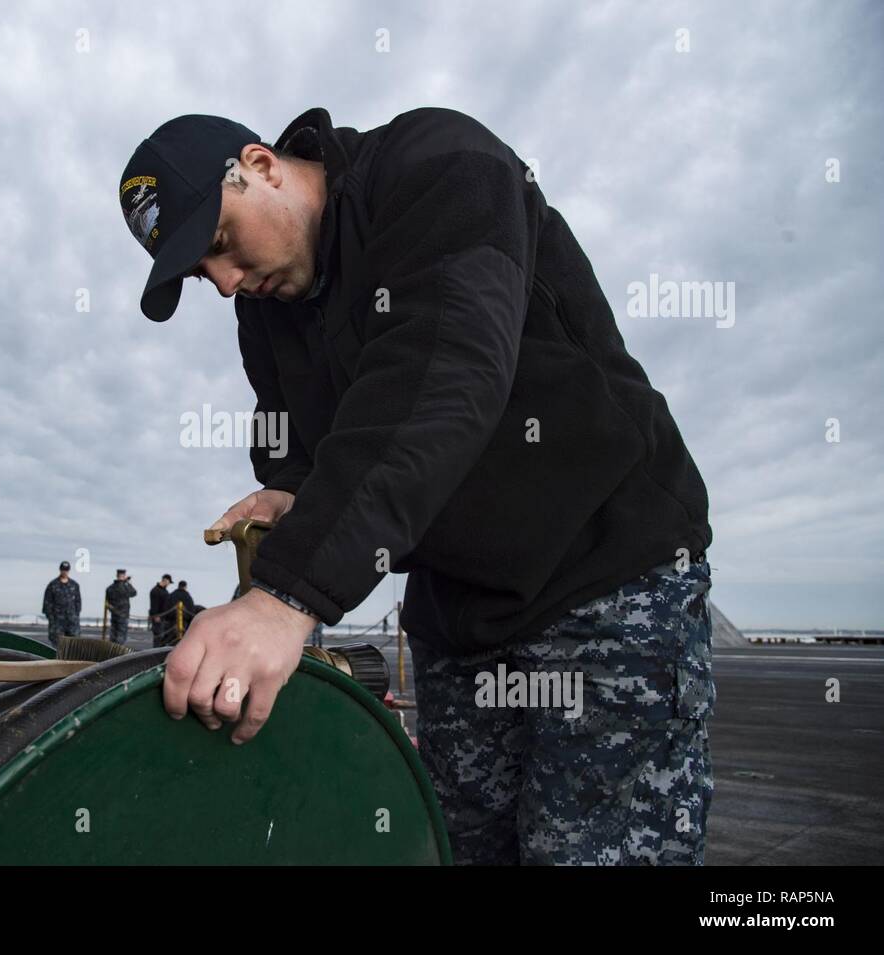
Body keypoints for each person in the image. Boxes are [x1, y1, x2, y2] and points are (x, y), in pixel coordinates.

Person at [118, 108, 715, 865]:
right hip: (458, 618)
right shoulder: (266, 317)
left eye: (221, 244)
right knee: (449, 851)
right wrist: (292, 494)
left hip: (605, 582)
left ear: (261, 165)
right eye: (204, 276)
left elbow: (446, 373)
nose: (228, 282)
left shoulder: (439, 165)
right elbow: (301, 450)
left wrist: (286, 597)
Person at [41, 560, 81, 648]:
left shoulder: (74, 585)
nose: (65, 572)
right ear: (60, 570)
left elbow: (78, 602)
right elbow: (47, 603)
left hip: (71, 622)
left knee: (73, 646)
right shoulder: (53, 585)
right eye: (63, 570)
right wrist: (51, 618)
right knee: (57, 646)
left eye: (66, 570)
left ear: (69, 571)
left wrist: (75, 616)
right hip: (57, 622)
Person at [104, 569, 137, 645]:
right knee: (121, 637)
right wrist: (128, 583)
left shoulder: (110, 588)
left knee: (113, 635)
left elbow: (107, 603)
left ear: (117, 575)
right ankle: (119, 653)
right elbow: (134, 593)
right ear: (124, 576)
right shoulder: (125, 587)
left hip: (114, 615)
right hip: (123, 615)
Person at [159, 580, 196, 646]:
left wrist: (166, 618)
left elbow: (166, 607)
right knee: (183, 638)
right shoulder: (187, 596)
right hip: (184, 621)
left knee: (170, 637)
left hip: (171, 620)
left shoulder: (172, 595)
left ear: (178, 586)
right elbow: (191, 609)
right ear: (185, 587)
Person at [149, 574, 172, 647]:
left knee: (161, 637)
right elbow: (154, 605)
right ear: (166, 580)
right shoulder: (156, 591)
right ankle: (155, 654)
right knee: (158, 637)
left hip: (163, 617)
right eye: (169, 582)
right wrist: (156, 616)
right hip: (159, 617)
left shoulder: (164, 591)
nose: (168, 584)